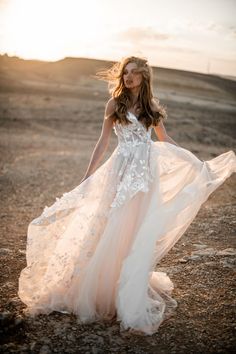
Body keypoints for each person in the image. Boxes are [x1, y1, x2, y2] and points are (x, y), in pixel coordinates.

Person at [18, 55, 236, 336]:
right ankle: (101, 288)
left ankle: (126, 288)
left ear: (144, 76)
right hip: (120, 174)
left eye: (134, 73)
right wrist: (87, 175)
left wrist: (193, 162)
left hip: (146, 177)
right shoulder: (114, 104)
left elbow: (164, 140)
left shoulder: (151, 107)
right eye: (125, 73)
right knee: (111, 228)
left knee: (135, 233)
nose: (128, 77)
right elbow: (103, 142)